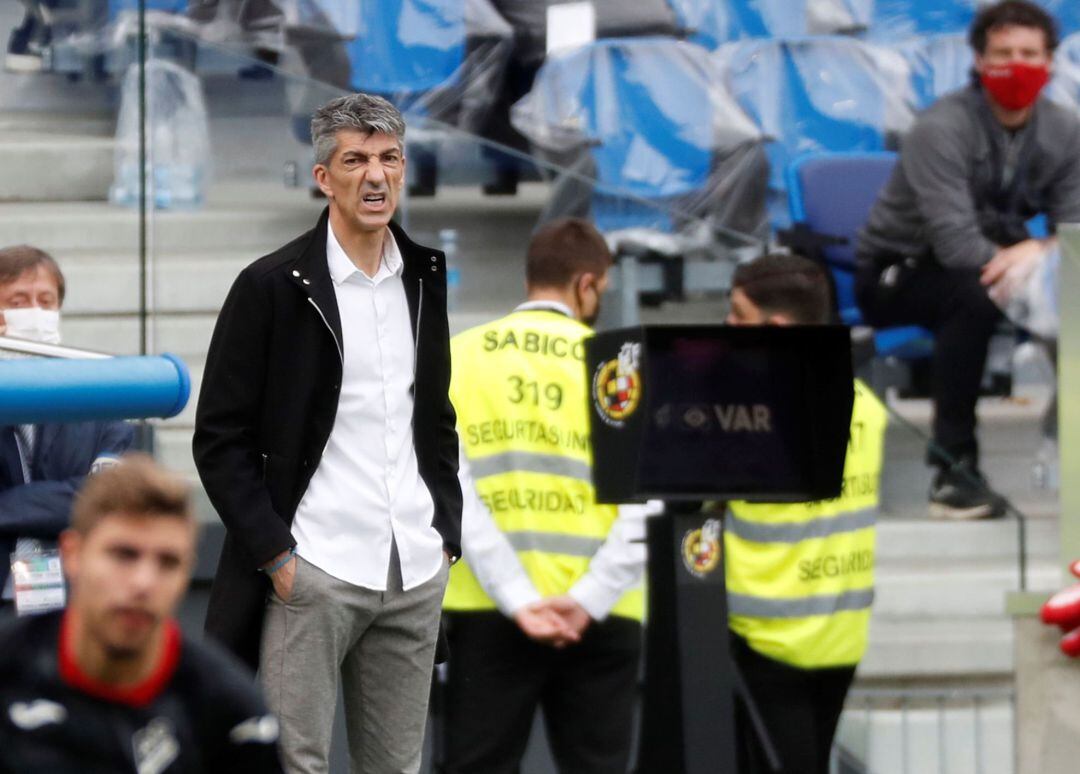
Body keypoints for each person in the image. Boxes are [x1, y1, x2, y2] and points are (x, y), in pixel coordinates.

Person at [193, 92, 462, 774]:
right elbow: (218, 438)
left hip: (414, 567)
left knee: (397, 769)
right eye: (356, 160)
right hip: (313, 568)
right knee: (295, 764)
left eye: (389, 158)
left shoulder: (425, 279)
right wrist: (280, 559)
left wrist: (445, 537)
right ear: (324, 178)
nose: (375, 175)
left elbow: (434, 417)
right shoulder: (270, 287)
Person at [443, 217, 657, 774]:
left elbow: (446, 486)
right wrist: (587, 599)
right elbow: (649, 502)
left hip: (486, 611)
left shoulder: (458, 357)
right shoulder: (626, 366)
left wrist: (517, 595)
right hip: (604, 613)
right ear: (588, 283)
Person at [855, 0, 1080, 519]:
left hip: (1000, 263)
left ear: (1050, 62)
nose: (1016, 65)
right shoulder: (942, 127)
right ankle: (954, 473)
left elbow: (1072, 234)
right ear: (978, 61)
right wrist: (1033, 258)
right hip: (896, 273)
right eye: (1002, 54)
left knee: (1070, 287)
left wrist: (1041, 249)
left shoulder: (1063, 130)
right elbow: (957, 246)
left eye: (1029, 53)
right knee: (973, 297)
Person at [0, 453, 284, 771]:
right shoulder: (10, 675)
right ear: (73, 554)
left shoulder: (233, 719)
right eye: (124, 554)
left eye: (168, 562)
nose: (143, 583)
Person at [725, 254, 888, 774]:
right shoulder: (865, 404)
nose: (727, 327)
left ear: (774, 327)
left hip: (766, 638)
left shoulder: (743, 412)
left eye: (737, 315)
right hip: (841, 635)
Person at [0, 244, 133, 610]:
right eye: (18, 300)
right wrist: (63, 497)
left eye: (46, 301)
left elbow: (105, 501)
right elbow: (79, 498)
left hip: (76, 599)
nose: (35, 313)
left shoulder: (99, 402)